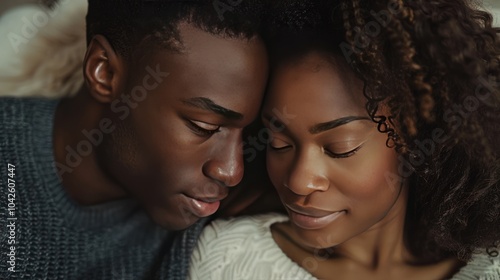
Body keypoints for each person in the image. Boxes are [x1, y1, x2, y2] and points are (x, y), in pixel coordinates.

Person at [188, 0, 500, 279]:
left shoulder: (490, 266)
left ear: (414, 138)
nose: (299, 182)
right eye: (279, 143)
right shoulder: (228, 260)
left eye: (340, 149)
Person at [0, 0, 271, 279]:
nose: (232, 171)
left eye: (247, 133)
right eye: (204, 126)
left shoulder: (224, 217)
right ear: (103, 71)